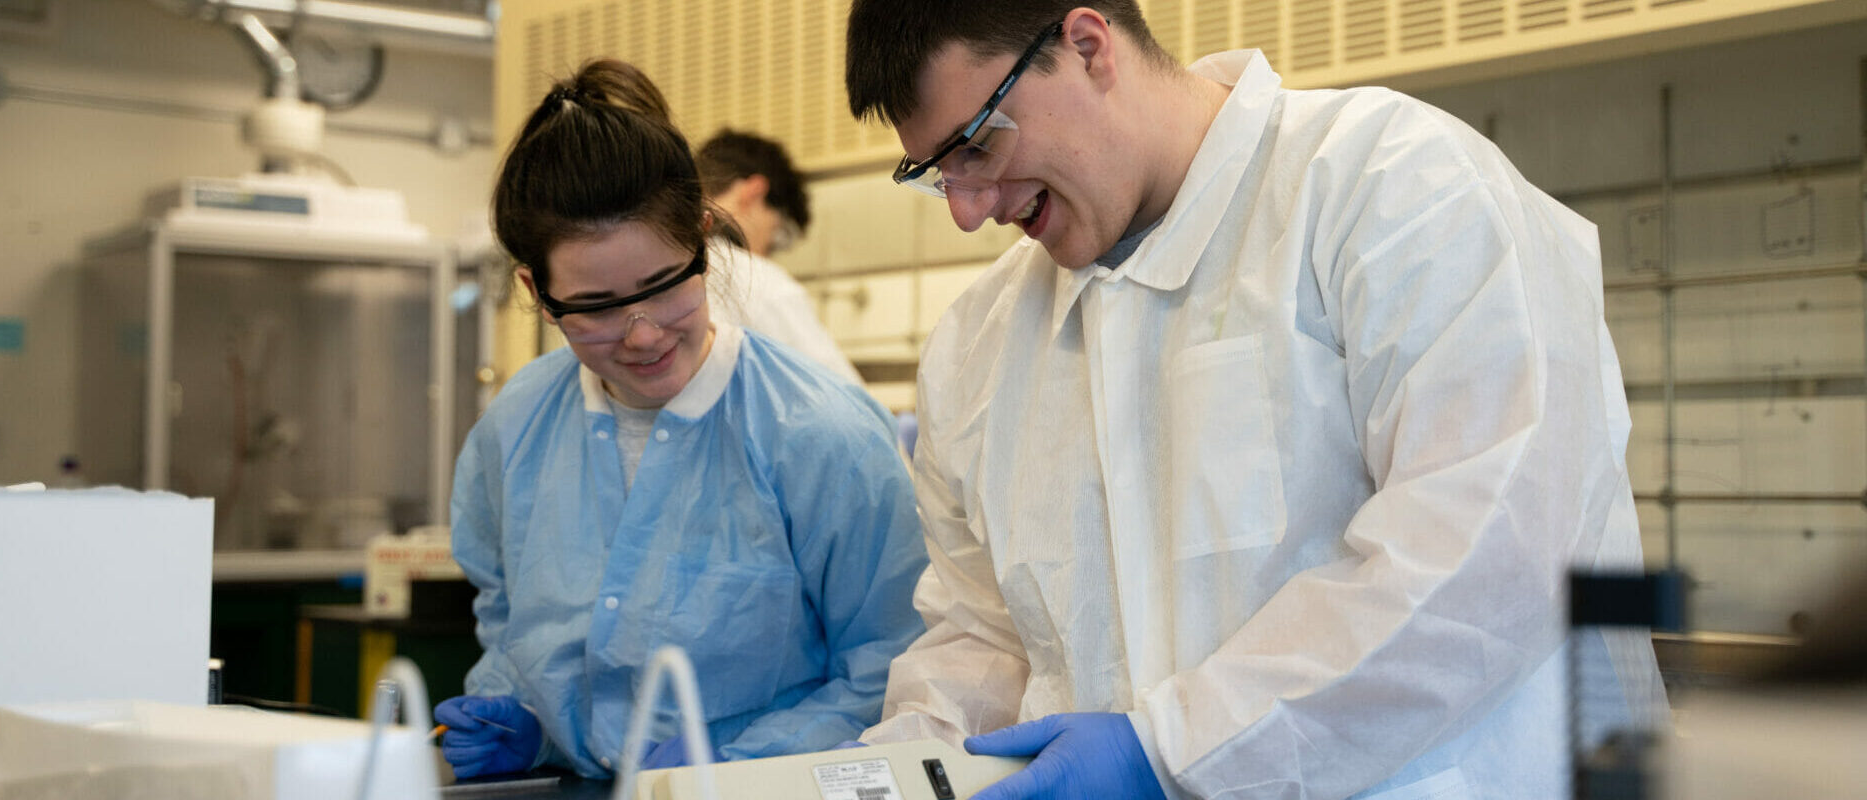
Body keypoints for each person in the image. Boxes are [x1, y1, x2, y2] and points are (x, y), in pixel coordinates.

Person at [844, 3, 1663, 799]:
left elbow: (1492, 555)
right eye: (935, 173)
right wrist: (891, 772)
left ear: (1090, 46)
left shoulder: (1393, 188)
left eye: (978, 145)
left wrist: (1172, 752)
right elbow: (983, 634)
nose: (965, 209)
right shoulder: (977, 345)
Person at [433, 58, 927, 781]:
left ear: (702, 238)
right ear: (537, 292)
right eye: (596, 305)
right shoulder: (517, 428)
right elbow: (509, 618)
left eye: (665, 286)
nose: (641, 334)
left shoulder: (823, 436)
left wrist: (738, 762)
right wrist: (527, 718)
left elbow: (891, 664)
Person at [696, 130, 864, 385]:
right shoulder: (756, 279)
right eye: (777, 234)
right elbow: (846, 395)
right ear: (753, 192)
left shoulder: (661, 263)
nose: (767, 251)